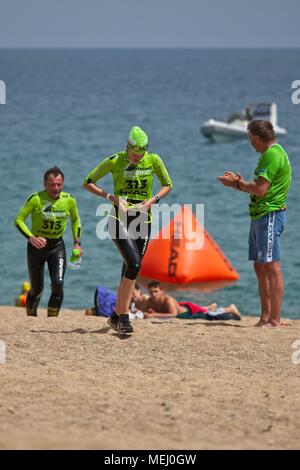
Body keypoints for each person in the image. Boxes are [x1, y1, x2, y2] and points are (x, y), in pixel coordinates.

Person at [83, 126, 172, 333]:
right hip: (118, 219)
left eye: (141, 154)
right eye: (134, 153)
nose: (138, 158)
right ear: (127, 147)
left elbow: (167, 184)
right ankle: (123, 317)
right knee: (133, 264)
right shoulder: (115, 160)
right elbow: (88, 182)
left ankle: (115, 316)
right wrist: (112, 198)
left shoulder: (154, 160)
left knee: (130, 269)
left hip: (143, 220)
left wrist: (151, 201)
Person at [218, 120, 292, 328]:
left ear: (257, 138)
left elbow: (260, 190)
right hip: (260, 215)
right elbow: (259, 188)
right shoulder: (268, 155)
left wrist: (236, 183)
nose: (250, 143)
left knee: (271, 266)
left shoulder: (272, 155)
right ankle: (265, 316)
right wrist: (237, 184)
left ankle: (274, 319)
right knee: (260, 266)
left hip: (269, 215)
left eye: (250, 138)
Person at [15, 166, 82, 317]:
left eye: (59, 184)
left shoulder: (69, 200)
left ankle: (51, 320)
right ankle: (31, 317)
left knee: (58, 285)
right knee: (37, 289)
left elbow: (76, 219)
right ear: (45, 184)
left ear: (62, 185)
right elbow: (18, 220)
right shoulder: (36, 199)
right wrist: (31, 238)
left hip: (57, 247)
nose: (55, 188)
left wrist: (77, 242)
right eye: (52, 184)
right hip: (36, 247)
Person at [140, 281, 241, 320]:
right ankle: (210, 306)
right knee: (205, 310)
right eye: (151, 292)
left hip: (188, 311)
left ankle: (229, 309)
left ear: (161, 290)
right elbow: (143, 312)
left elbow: (173, 314)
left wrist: (153, 314)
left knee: (208, 315)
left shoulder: (168, 299)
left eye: (156, 291)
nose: (153, 294)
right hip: (182, 306)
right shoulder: (150, 300)